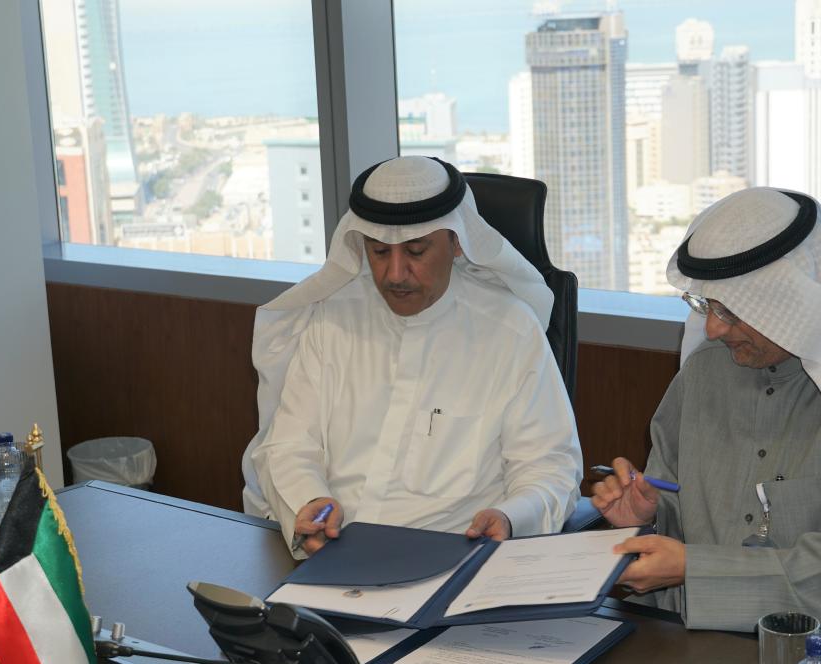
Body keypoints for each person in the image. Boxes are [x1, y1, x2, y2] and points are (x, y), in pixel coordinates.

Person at [593, 188, 821, 664]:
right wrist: (646, 518)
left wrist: (695, 569)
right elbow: (675, 502)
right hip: (692, 637)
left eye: (733, 311)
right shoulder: (705, 372)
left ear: (794, 299)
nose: (713, 330)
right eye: (705, 305)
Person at [242, 156, 582, 557]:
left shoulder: (510, 331)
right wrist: (309, 502)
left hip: (453, 560)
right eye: (379, 252)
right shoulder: (332, 319)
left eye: (416, 252)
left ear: (457, 242)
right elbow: (289, 444)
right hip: (332, 555)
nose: (395, 274)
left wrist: (509, 517)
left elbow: (549, 467)